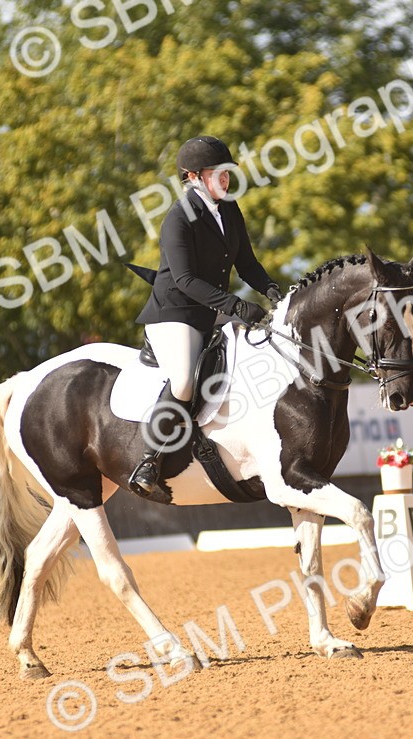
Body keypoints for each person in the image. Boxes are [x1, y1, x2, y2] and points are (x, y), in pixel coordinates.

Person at [129, 135, 282, 496]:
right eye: (218, 174)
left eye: (227, 173)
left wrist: (272, 289)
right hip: (175, 312)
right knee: (183, 380)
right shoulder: (178, 220)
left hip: (210, 308)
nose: (226, 180)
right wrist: (236, 306)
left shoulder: (229, 209)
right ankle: (149, 461)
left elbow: (246, 263)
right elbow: (184, 280)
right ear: (194, 176)